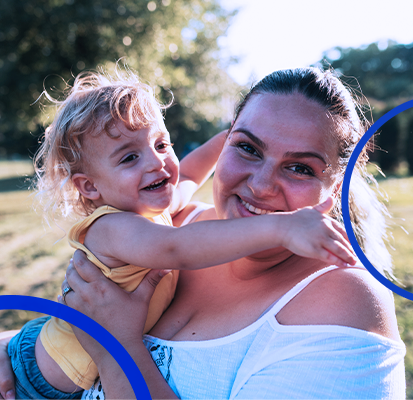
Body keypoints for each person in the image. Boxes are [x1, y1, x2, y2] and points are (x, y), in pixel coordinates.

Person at [1, 68, 357, 400]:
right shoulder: (112, 228)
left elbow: (187, 175)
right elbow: (176, 249)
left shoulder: (154, 208)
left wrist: (231, 137)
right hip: (35, 380)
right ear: (90, 186)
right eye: (129, 158)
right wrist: (282, 226)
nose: (156, 164)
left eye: (160, 145)